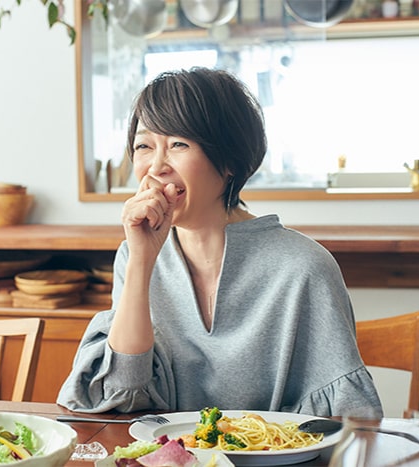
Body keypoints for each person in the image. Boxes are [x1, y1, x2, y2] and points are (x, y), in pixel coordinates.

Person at [57, 67, 382, 417]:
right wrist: (141, 259)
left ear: (229, 160)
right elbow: (121, 392)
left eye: (179, 144)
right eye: (144, 146)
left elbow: (346, 422)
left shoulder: (304, 268)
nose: (156, 167)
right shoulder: (135, 255)